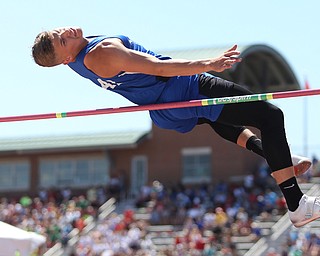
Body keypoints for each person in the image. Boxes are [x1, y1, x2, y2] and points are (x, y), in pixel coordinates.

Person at [32, 27, 315, 227]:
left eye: (60, 31)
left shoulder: (73, 60)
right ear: (66, 58)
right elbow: (158, 67)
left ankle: (277, 158)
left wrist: (60, 44)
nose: (67, 32)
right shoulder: (102, 52)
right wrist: (209, 63)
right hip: (185, 89)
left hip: (166, 109)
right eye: (63, 40)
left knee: (220, 119)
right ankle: (296, 204)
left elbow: (52, 53)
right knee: (271, 116)